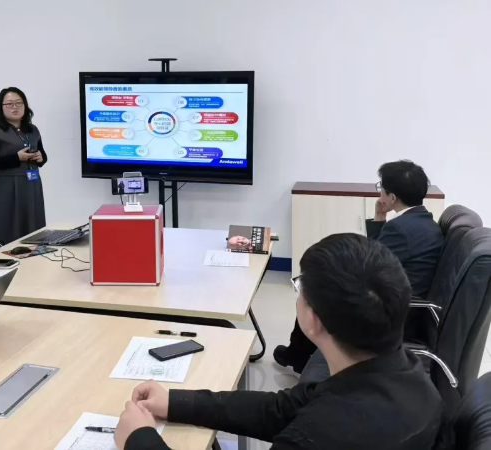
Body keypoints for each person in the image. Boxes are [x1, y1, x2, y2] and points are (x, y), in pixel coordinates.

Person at [115, 234, 446, 450]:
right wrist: (175, 402)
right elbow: (280, 409)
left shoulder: (317, 436)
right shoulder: (406, 374)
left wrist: (139, 439)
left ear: (312, 321)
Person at [275, 160, 444, 373]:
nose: (379, 193)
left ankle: (297, 355)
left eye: (381, 188)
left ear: (392, 198)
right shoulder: (424, 222)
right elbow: (378, 256)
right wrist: (380, 218)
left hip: (396, 311)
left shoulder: (400, 228)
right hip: (407, 302)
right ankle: (298, 353)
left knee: (317, 293)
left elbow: (371, 264)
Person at [0, 87, 48, 245]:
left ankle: (34, 256)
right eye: (9, 104)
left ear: (25, 105)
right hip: (6, 187)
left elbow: (43, 154)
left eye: (19, 103)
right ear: (1, 107)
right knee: (6, 228)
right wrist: (16, 158)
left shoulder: (32, 130)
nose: (14, 107)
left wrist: (41, 158)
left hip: (32, 186)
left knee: (33, 227)